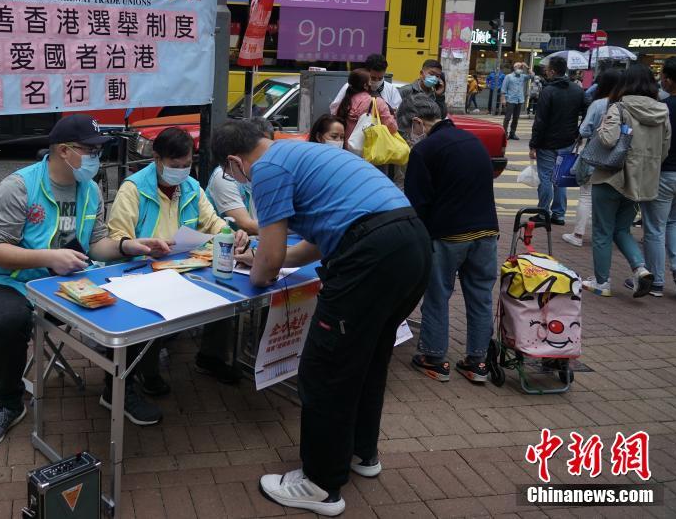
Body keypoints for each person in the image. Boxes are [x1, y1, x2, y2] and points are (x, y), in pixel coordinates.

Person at [213, 121, 431, 516]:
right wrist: (259, 259)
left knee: (325, 367)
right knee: (366, 361)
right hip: (411, 243)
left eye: (232, 173)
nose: (238, 178)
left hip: (370, 256)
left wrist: (257, 268)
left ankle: (319, 484)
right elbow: (318, 239)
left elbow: (271, 260)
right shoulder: (307, 153)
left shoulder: (266, 168)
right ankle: (362, 454)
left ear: (234, 161)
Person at [0, 115, 172, 451]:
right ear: (64, 151)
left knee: (138, 303)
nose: (97, 157)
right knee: (7, 320)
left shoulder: (90, 189)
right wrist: (49, 257)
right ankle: (8, 402)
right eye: (90, 150)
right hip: (17, 284)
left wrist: (127, 246)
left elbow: (96, 245)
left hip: (70, 285)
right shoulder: (19, 186)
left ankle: (117, 390)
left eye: (98, 150)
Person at [109, 126, 248, 398]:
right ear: (157, 159)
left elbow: (213, 222)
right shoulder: (133, 189)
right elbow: (118, 238)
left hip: (185, 264)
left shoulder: (191, 187)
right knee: (154, 305)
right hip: (142, 268)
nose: (182, 171)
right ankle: (146, 373)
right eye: (175, 165)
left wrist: (232, 232)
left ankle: (210, 357)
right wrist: (143, 247)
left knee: (226, 289)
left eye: (187, 165)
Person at [404, 98, 498, 383]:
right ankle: (477, 362)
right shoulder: (472, 141)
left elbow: (417, 203)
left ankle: (433, 356)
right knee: (481, 296)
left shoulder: (424, 150)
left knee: (437, 295)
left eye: (410, 127)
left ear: (418, 122)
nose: (410, 133)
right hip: (486, 232)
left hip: (448, 234)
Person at [582, 64, 671, 298]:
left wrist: (603, 126)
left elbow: (609, 140)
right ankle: (640, 269)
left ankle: (602, 282)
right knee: (622, 229)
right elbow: (664, 150)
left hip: (611, 177)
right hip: (640, 181)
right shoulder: (662, 112)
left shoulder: (619, 108)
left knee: (602, 231)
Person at [201, 118, 275, 380]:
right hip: (223, 248)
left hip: (247, 244)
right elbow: (243, 223)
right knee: (225, 287)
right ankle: (214, 354)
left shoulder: (265, 170)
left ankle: (263, 353)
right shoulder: (226, 177)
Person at [640, 56, 676, 295]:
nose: (661, 80)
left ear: (670, 81)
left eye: (663, 76)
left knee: (655, 228)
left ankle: (656, 282)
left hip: (664, 174)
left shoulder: (663, 109)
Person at [562, 69, 624, 248]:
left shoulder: (599, 105)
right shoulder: (626, 105)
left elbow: (584, 130)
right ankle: (609, 235)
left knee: (586, 195)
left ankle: (578, 234)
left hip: (594, 155)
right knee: (610, 198)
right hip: (618, 158)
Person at [529, 56, 587, 226]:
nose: (545, 72)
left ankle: (543, 212)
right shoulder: (577, 90)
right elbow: (587, 110)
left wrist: (534, 144)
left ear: (553, 71)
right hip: (568, 140)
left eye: (547, 69)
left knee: (545, 177)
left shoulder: (548, 91)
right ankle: (559, 214)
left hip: (547, 143)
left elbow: (540, 121)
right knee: (560, 177)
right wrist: (579, 130)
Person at [330, 68, 397, 151]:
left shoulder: (344, 102)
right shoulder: (377, 103)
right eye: (371, 81)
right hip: (368, 153)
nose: (372, 83)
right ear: (365, 85)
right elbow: (392, 128)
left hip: (344, 150)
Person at [329, 53, 402, 113]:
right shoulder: (351, 86)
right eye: (373, 78)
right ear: (366, 72)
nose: (376, 81)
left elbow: (397, 113)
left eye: (380, 78)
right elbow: (335, 109)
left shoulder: (391, 89)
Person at [397, 59, 445, 135]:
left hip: (426, 136)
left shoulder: (435, 96)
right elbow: (396, 115)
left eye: (437, 76)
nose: (434, 78)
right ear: (421, 74)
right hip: (406, 136)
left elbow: (441, 117)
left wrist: (440, 96)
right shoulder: (406, 91)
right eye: (431, 74)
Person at [500, 63, 528, 140]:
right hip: (510, 99)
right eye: (519, 67)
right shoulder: (508, 76)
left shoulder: (523, 76)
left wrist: (527, 67)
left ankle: (512, 133)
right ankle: (505, 133)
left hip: (519, 100)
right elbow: (503, 89)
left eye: (521, 67)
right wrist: (503, 99)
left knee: (516, 118)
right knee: (507, 118)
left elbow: (532, 76)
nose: (520, 68)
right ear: (514, 67)